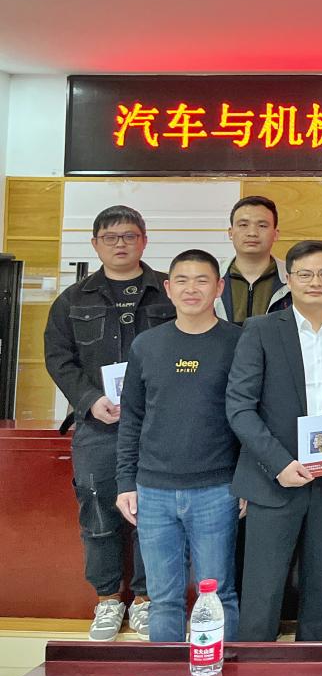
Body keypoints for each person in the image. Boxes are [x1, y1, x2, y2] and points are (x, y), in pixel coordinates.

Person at [44, 205, 175, 641]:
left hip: (158, 425)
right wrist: (89, 400)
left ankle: (145, 599)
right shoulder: (73, 299)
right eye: (111, 237)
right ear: (95, 243)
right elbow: (58, 359)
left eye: (130, 236)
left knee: (153, 513)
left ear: (144, 241)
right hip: (98, 425)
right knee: (99, 511)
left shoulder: (167, 292)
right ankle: (107, 599)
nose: (121, 244)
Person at [226, 240, 322, 642]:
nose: (315, 282)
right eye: (305, 274)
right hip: (273, 479)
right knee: (262, 593)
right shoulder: (261, 330)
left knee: (321, 591)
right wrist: (279, 464)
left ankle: (313, 668)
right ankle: (254, 671)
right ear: (288, 278)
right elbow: (239, 408)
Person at [114, 249, 242, 642]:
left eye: (202, 280)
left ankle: (219, 669)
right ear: (168, 289)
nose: (191, 289)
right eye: (182, 280)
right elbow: (132, 418)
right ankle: (166, 671)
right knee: (163, 598)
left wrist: (246, 482)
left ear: (218, 287)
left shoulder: (239, 342)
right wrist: (126, 482)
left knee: (217, 593)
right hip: (153, 491)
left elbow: (251, 417)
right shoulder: (146, 345)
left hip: (217, 488)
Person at [218, 195, 290, 323]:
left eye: (262, 226)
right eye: (243, 225)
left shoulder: (293, 277)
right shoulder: (213, 276)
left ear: (275, 234)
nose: (252, 233)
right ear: (230, 233)